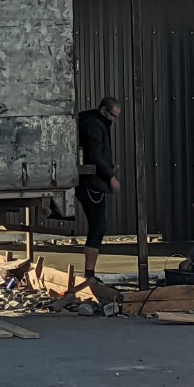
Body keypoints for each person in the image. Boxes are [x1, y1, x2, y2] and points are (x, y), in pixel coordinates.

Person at [77, 96, 122, 280]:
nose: (114, 120)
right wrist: (110, 176)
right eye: (112, 115)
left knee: (97, 224)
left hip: (90, 181)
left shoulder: (90, 121)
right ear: (103, 110)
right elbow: (94, 154)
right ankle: (89, 274)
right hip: (92, 183)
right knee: (98, 225)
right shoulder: (94, 125)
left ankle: (90, 273)